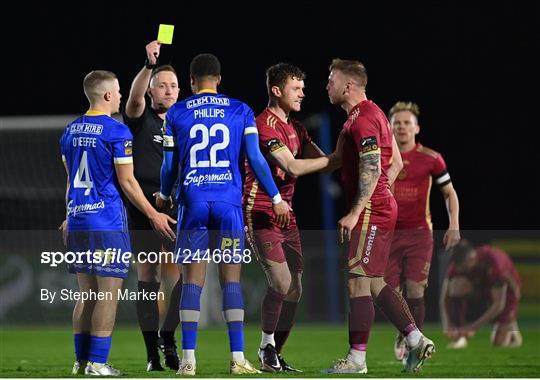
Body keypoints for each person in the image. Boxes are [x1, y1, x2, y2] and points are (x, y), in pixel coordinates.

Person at [157, 53, 290, 375]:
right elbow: (256, 159)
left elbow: (169, 165)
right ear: (219, 79)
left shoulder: (176, 112)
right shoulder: (240, 110)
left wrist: (164, 194)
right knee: (231, 282)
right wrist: (275, 197)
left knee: (191, 283)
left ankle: (188, 360)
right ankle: (237, 358)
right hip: (229, 204)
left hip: (193, 202)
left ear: (191, 81)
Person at [59, 70, 175, 376]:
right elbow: (128, 182)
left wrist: (68, 215)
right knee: (108, 295)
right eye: (119, 91)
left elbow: (71, 182)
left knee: (87, 296)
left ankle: (80, 362)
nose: (122, 96)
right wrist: (153, 214)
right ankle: (98, 363)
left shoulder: (69, 131)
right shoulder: (116, 131)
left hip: (79, 219)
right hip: (106, 221)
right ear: (108, 95)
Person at [325, 58, 435, 374]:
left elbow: (373, 168)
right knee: (373, 283)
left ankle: (356, 360)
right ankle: (415, 338)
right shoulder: (372, 115)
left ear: (347, 85)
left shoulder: (362, 120)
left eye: (331, 79)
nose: (327, 85)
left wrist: (357, 211)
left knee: (357, 284)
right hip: (379, 208)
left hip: (371, 211)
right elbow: (395, 163)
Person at [243, 63, 342, 372]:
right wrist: (334, 158)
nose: (302, 93)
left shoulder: (297, 128)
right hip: (260, 210)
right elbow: (295, 167)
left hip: (288, 214)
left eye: (302, 88)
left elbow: (326, 163)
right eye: (295, 88)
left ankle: (274, 353)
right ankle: (264, 348)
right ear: (276, 90)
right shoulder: (263, 124)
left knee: (296, 287)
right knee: (281, 280)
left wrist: (350, 146)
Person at [384, 101, 461, 361]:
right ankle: (405, 331)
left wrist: (454, 225)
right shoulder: (382, 157)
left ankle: (412, 342)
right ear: (390, 127)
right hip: (388, 234)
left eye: (407, 123)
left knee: (416, 291)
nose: (402, 127)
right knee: (389, 293)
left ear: (416, 127)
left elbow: (449, 193)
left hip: (419, 235)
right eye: (397, 123)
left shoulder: (431, 158)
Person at [123, 40, 182, 372]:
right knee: (148, 276)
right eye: (162, 85)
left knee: (192, 276)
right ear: (151, 91)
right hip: (144, 210)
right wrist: (148, 65)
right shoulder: (139, 116)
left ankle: (168, 337)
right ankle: (151, 357)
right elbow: (132, 99)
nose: (169, 91)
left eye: (174, 85)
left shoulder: (184, 121)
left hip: (177, 210)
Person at [440, 240, 522, 348]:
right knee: (456, 285)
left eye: (464, 268)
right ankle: (459, 334)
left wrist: (472, 328)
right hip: (483, 289)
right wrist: (447, 324)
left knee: (499, 343)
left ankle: (511, 326)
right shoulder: (459, 264)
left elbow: (499, 304)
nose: (462, 271)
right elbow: (445, 296)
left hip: (507, 294)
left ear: (471, 258)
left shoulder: (496, 263)